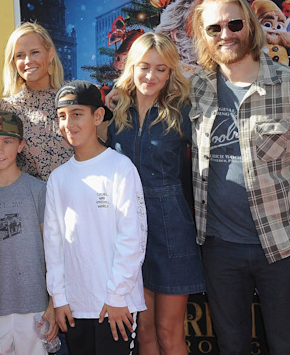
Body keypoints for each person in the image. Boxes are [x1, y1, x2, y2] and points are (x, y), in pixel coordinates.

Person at [189, 0, 290, 353]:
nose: (225, 33)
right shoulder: (197, 89)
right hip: (219, 248)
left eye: (234, 24)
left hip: (281, 246)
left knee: (286, 345)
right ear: (204, 36)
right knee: (231, 345)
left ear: (250, 27)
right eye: (214, 28)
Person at [104, 32, 205, 355]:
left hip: (171, 228)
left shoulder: (182, 112)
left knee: (168, 332)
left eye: (161, 69)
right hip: (129, 231)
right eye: (144, 67)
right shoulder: (117, 115)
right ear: (131, 66)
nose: (151, 76)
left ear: (171, 72)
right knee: (144, 331)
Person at [45, 80, 147, 355]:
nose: (69, 123)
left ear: (98, 116)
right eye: (62, 116)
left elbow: (133, 238)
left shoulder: (120, 168)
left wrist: (116, 296)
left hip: (115, 306)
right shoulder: (58, 178)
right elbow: (53, 244)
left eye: (77, 114)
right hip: (74, 307)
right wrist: (59, 298)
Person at [0, 111, 57, 354]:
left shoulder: (38, 190)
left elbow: (52, 251)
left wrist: (53, 302)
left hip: (35, 304)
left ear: (21, 145)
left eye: (7, 142)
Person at [0, 22, 70, 181]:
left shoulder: (73, 95)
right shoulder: (9, 108)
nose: (27, 61)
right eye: (20, 55)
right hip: (35, 201)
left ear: (50, 53)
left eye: (35, 52)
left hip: (78, 196)